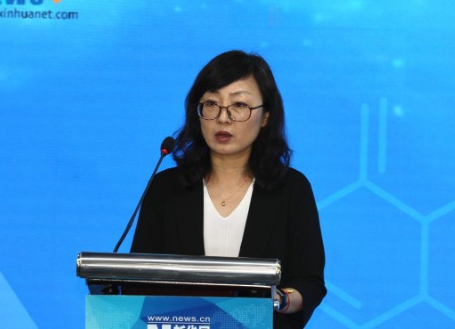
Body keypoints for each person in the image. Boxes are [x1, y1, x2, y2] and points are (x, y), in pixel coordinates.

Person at [131, 50, 326, 328]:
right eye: (212, 103)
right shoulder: (165, 188)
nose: (223, 118)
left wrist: (278, 300)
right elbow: (139, 278)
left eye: (239, 105)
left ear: (266, 116)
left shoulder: (292, 189)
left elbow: (308, 281)